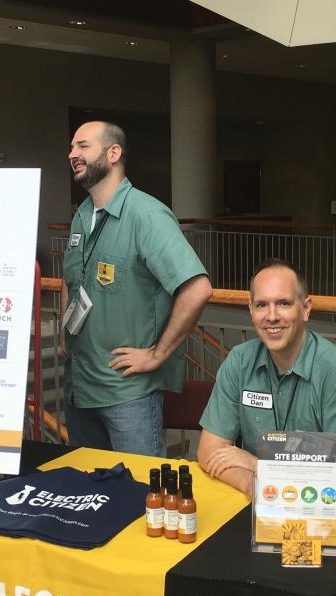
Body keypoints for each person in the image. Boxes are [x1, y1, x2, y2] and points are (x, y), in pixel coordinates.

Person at [62, 121, 212, 457]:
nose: (72, 154)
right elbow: (71, 281)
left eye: (83, 146)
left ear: (113, 153)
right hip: (80, 385)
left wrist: (157, 354)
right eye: (71, 147)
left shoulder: (147, 215)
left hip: (127, 393)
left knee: (138, 493)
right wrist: (63, 334)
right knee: (88, 493)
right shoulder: (82, 215)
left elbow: (197, 289)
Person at [198, 259, 336, 499]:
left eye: (283, 303)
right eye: (262, 305)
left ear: (306, 308)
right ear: (251, 310)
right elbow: (209, 450)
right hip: (271, 501)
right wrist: (252, 484)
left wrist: (260, 467)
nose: (272, 316)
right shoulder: (239, 361)